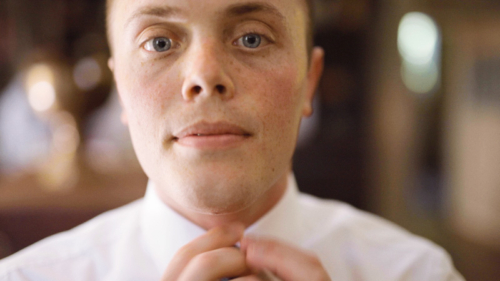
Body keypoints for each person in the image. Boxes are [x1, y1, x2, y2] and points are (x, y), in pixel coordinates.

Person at [0, 0, 464, 280]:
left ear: (310, 82)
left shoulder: (418, 274)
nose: (204, 76)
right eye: (159, 42)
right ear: (121, 88)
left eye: (252, 39)